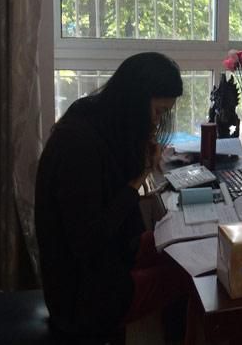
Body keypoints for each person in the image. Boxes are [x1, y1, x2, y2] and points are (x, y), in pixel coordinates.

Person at [35, 52, 190, 341]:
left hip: (103, 264)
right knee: (185, 276)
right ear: (135, 102)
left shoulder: (94, 117)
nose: (156, 122)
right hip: (81, 297)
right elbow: (89, 241)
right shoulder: (77, 146)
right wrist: (138, 179)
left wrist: (139, 152)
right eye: (157, 111)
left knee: (178, 247)